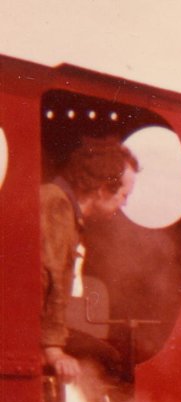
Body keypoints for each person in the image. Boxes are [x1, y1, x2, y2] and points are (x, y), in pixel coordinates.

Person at [41, 137, 139, 383]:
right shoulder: (56, 205)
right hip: (25, 332)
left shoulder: (63, 207)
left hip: (35, 328)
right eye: (124, 195)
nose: (124, 203)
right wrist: (52, 350)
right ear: (103, 188)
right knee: (107, 359)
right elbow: (45, 276)